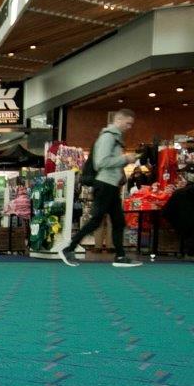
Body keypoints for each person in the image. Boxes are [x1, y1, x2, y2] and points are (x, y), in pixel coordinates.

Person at [59, 109, 142, 268]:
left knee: (117, 222)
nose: (129, 126)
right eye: (128, 123)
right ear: (118, 119)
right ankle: (68, 248)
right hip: (105, 185)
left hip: (110, 185)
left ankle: (120, 256)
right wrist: (125, 158)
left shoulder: (114, 138)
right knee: (97, 221)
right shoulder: (108, 137)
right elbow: (101, 162)